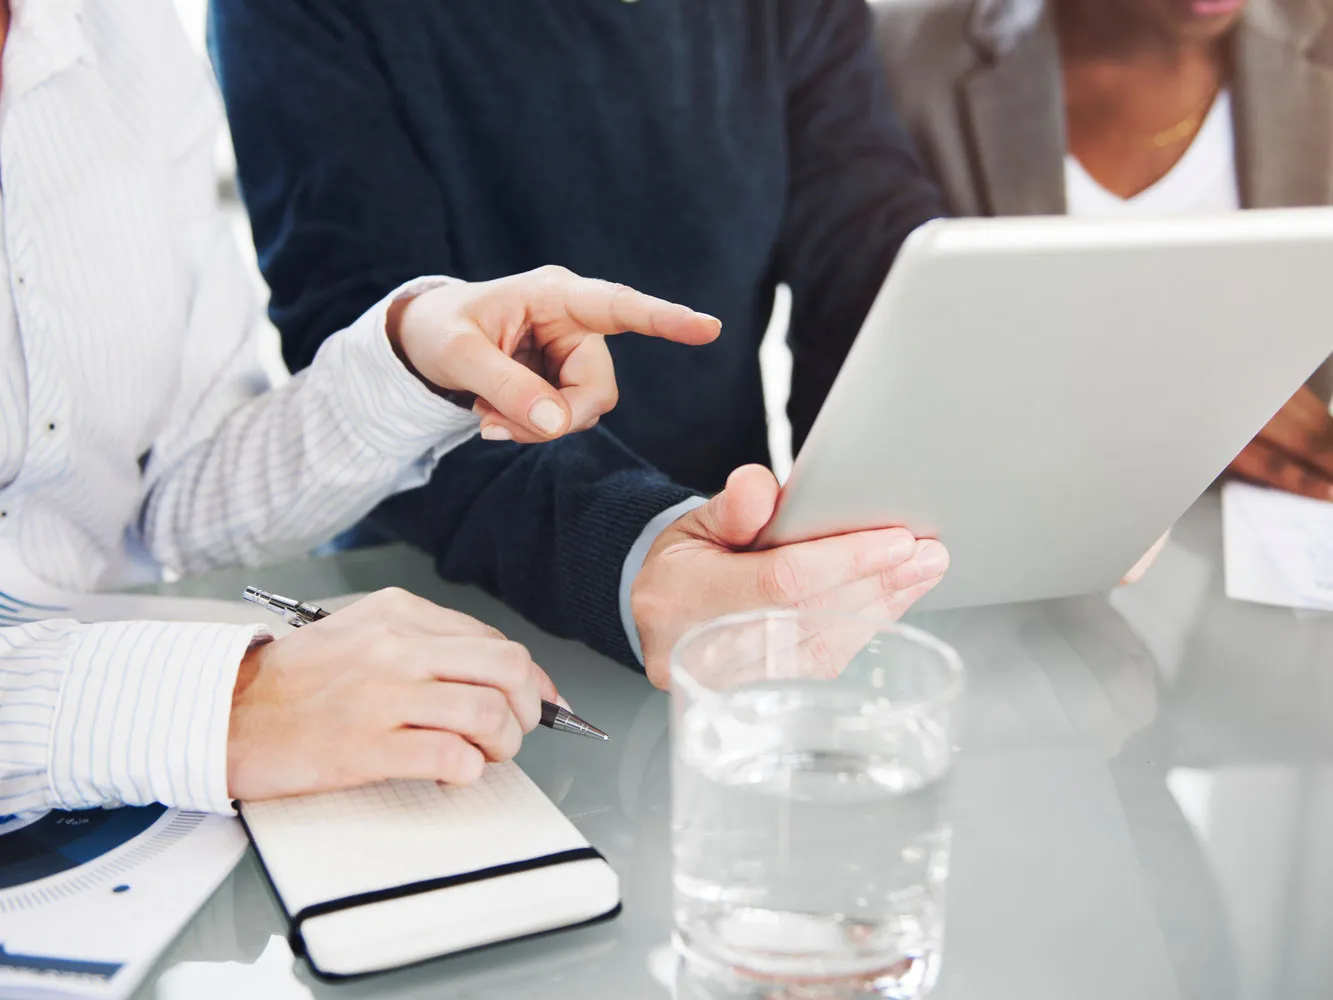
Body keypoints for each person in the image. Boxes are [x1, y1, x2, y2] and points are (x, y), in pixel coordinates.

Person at [0, 0, 747, 817]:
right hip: (133, 757)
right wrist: (221, 705)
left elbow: (174, 502)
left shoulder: (122, 36)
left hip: (141, 794)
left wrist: (409, 365)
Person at [207, 0, 953, 683]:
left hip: (741, 576)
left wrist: (865, 505)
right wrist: (636, 554)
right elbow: (366, 345)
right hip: (429, 606)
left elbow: (862, 254)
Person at [874, 0, 1333, 500]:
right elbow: (869, 390)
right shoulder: (897, 59)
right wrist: (1165, 410)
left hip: (1272, 547)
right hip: (1012, 525)